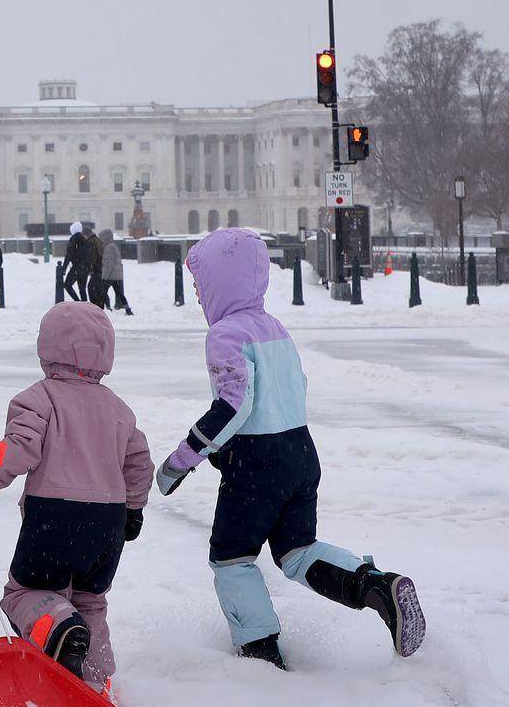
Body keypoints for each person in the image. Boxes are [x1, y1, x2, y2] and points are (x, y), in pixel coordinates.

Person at [154, 228, 423, 669]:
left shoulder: (225, 333)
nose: (200, 295)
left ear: (221, 283)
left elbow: (234, 404)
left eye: (202, 285)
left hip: (256, 465)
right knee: (297, 551)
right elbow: (292, 389)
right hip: (300, 452)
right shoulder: (275, 328)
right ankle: (376, 586)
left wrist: (184, 459)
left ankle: (261, 655)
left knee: (232, 559)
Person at [0, 301, 152, 694]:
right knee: (91, 601)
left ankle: (60, 627)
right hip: (107, 523)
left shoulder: (39, 398)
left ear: (47, 349)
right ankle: (93, 684)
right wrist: (134, 509)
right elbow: (139, 462)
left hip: (54, 517)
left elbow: (20, 448)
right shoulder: (118, 409)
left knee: (25, 594)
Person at [97, 229, 132, 315]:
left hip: (110, 276)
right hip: (117, 275)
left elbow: (109, 263)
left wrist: (105, 276)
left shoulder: (108, 247)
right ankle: (128, 309)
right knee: (119, 294)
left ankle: (102, 310)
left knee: (102, 292)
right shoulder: (113, 246)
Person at [62, 223, 88, 300]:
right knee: (82, 289)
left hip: (77, 267)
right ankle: (85, 306)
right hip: (85, 267)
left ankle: (78, 302)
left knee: (67, 285)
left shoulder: (74, 238)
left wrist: (64, 268)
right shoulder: (85, 239)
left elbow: (69, 254)